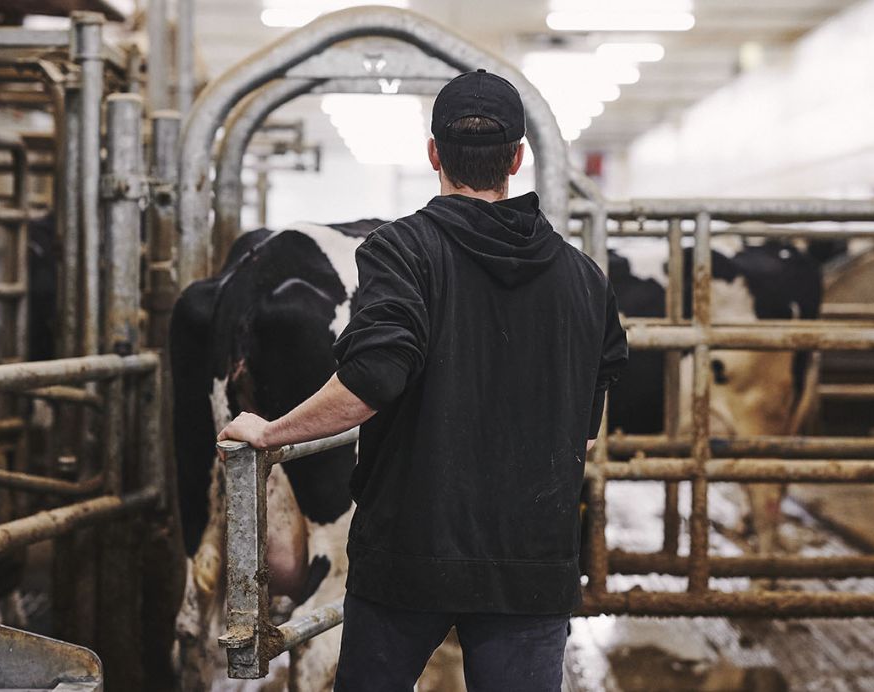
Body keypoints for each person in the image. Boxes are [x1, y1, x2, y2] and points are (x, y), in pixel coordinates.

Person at [217, 69, 628, 692]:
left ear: (433, 152)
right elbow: (586, 432)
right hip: (531, 566)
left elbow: (371, 379)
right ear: (517, 159)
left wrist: (269, 433)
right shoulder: (586, 279)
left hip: (408, 558)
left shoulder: (401, 251)